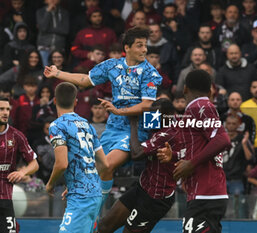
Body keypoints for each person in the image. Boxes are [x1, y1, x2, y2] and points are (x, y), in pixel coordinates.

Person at [44, 26, 162, 212]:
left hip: (135, 130)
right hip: (113, 128)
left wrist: (120, 111)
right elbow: (84, 80)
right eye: (140, 45)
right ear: (127, 47)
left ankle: (93, 208)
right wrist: (58, 73)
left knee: (107, 164)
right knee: (95, 167)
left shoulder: (150, 73)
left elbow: (148, 105)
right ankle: (89, 206)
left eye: (145, 45)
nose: (145, 50)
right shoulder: (112, 65)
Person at [158, 70, 231, 233]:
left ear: (184, 89)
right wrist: (175, 156)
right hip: (205, 192)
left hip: (206, 192)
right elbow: (202, 147)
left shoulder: (201, 106)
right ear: (211, 90)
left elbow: (222, 140)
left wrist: (191, 163)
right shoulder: (196, 109)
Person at [98, 98, 179, 233]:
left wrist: (134, 122)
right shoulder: (159, 122)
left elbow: (136, 154)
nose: (153, 118)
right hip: (143, 187)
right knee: (104, 227)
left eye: (157, 115)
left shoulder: (168, 133)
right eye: (152, 114)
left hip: (157, 197)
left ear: (168, 115)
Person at [46, 82, 109, 233]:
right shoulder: (87, 125)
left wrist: (50, 184)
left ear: (54, 100)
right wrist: (79, 181)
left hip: (81, 198)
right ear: (75, 102)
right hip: (95, 193)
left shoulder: (57, 126)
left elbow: (61, 164)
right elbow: (104, 163)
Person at [0, 97, 39, 233]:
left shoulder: (17, 136)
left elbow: (34, 164)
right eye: (1, 109)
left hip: (5, 198)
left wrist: (22, 172)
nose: (5, 112)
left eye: (7, 109)